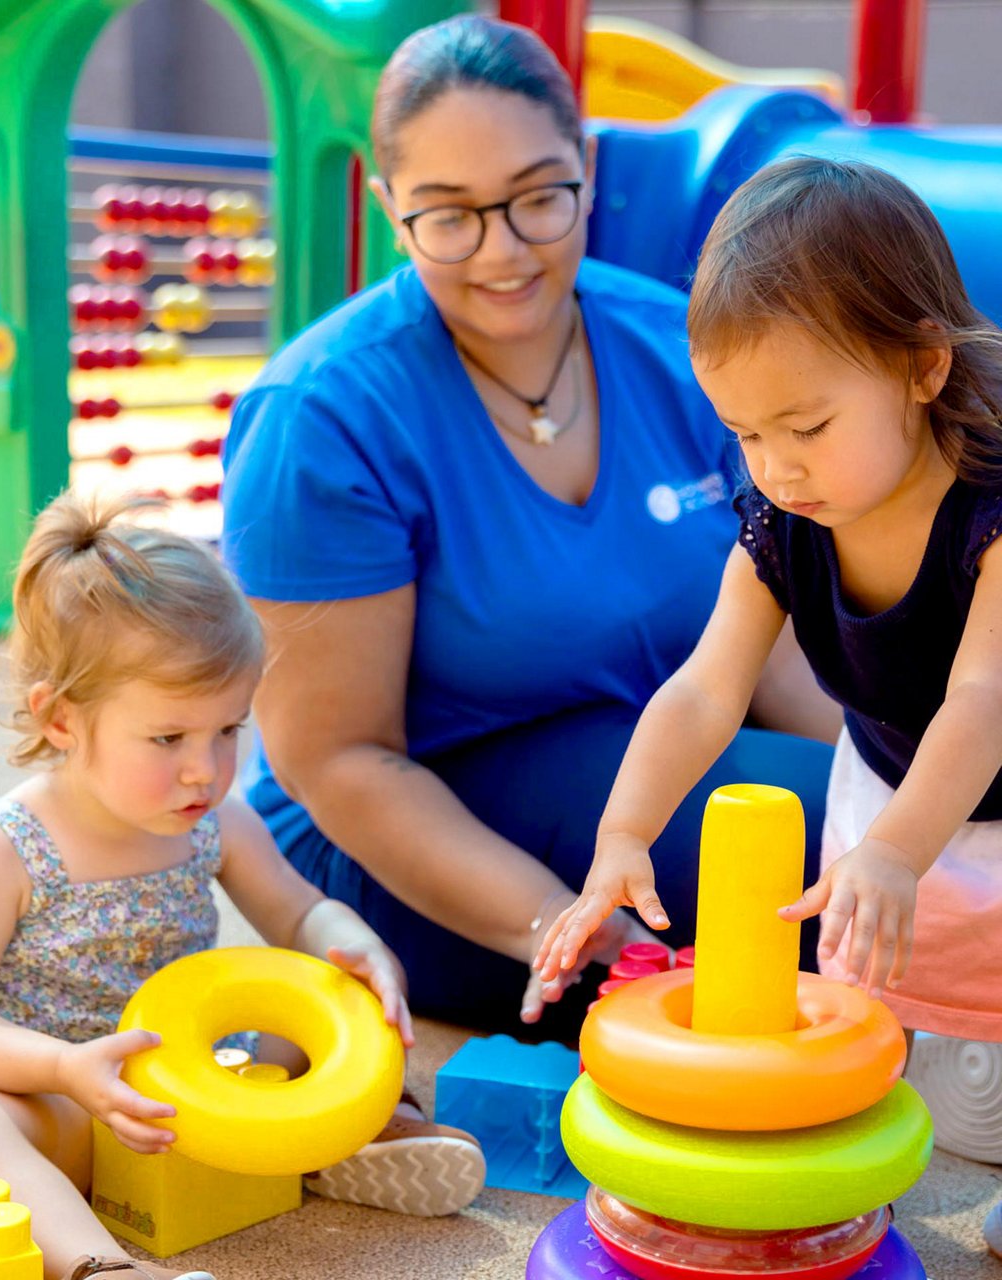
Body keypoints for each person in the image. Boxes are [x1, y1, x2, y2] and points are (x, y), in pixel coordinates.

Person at [220, 14, 838, 1036]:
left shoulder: (677, 346)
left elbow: (764, 643)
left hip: (638, 758)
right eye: (449, 216)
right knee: (811, 852)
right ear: (388, 209)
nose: (502, 251)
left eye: (537, 198)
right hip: (402, 842)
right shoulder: (323, 417)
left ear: (586, 169)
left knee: (900, 822)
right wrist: (556, 923)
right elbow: (340, 761)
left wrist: (904, 776)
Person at [537, 156, 1002, 1061]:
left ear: (923, 367)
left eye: (808, 427)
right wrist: (624, 832)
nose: (777, 467)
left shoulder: (989, 515)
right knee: (894, 1028)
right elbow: (706, 691)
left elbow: (983, 701)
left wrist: (898, 852)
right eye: (746, 434)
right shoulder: (787, 524)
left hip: (970, 783)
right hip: (892, 787)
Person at [0, 493, 485, 1280]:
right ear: (61, 720)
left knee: (315, 1004)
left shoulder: (217, 823)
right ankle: (97, 1266)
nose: (205, 770)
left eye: (228, 730)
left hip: (210, 1089)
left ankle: (346, 1134)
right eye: (168, 737)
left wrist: (352, 943)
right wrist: (61, 1070)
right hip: (65, 1103)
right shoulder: (7, 848)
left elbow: (298, 912)